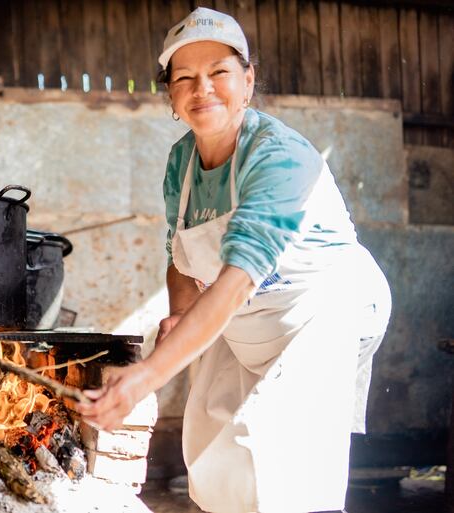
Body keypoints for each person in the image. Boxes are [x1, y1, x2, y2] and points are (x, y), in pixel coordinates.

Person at [75, 7, 391, 513]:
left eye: (219, 73)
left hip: (322, 310)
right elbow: (181, 259)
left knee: (278, 462)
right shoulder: (182, 162)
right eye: (185, 78)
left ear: (247, 81)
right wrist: (179, 313)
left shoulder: (279, 158)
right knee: (211, 449)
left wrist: (145, 376)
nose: (203, 89)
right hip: (245, 316)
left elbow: (239, 278)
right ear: (172, 96)